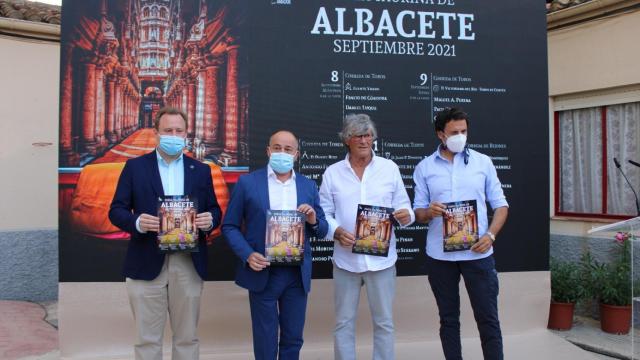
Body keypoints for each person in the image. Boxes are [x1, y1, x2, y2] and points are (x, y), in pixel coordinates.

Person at [109, 107, 222, 360]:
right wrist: (137, 221)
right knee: (147, 340)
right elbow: (116, 211)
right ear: (156, 133)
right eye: (168, 130)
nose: (174, 135)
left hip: (188, 263)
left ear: (186, 134)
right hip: (146, 261)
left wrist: (210, 219)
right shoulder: (135, 167)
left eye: (179, 131)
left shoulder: (201, 170)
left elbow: (214, 208)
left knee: (187, 337)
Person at [412, 107, 509, 360]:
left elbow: (501, 206)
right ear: (440, 135)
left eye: (464, 131)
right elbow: (417, 212)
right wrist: (428, 212)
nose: (460, 136)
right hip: (440, 258)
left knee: (488, 318)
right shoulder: (424, 168)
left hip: (478, 254)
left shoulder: (483, 162)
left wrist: (490, 235)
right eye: (454, 132)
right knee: (448, 320)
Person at [222, 130, 328, 360]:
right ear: (268, 151)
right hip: (263, 272)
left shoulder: (308, 186)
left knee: (293, 338)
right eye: (277, 148)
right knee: (265, 338)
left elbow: (321, 229)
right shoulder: (248, 183)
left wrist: (313, 220)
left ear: (297, 154)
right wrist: (248, 255)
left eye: (288, 149)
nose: (282, 153)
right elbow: (229, 226)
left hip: (296, 276)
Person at [318, 114, 415, 360]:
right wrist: (336, 231)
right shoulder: (332, 173)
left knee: (384, 323)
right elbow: (324, 213)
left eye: (368, 135)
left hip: (382, 261)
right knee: (343, 323)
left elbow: (404, 205)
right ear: (347, 140)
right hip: (345, 261)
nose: (364, 140)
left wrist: (407, 215)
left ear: (373, 138)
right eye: (357, 135)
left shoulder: (389, 168)